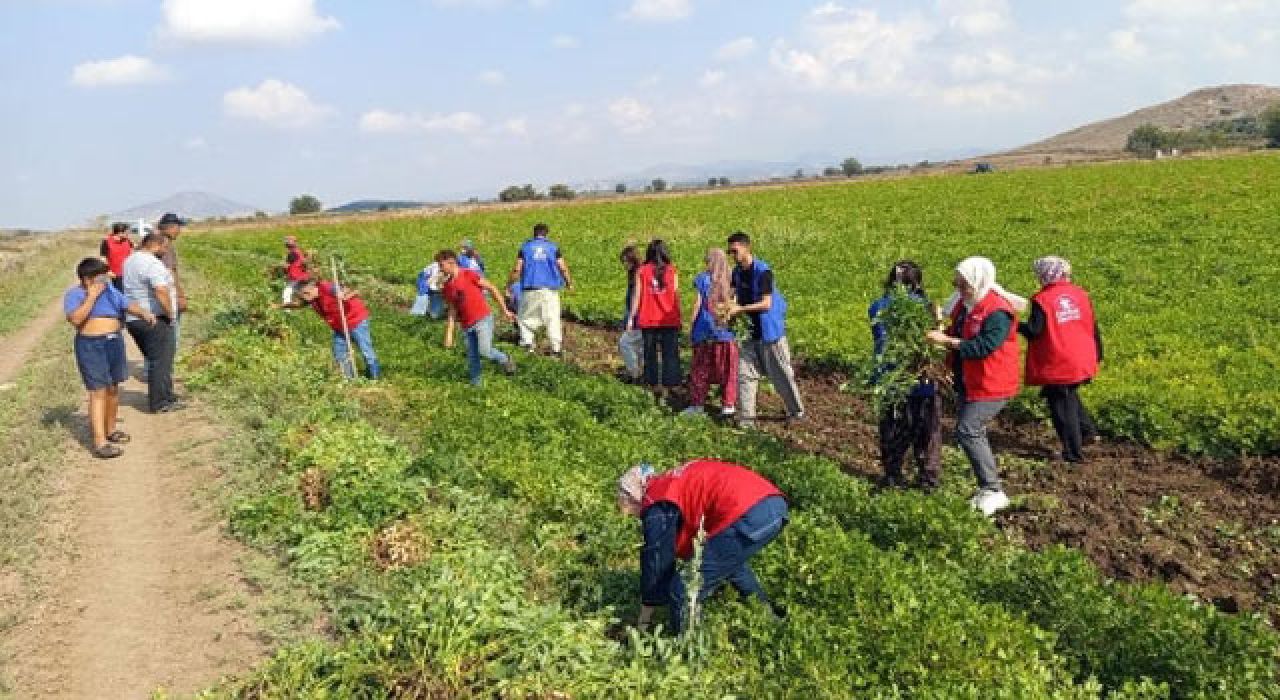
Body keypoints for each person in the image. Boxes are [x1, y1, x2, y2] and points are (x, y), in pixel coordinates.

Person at [617, 460, 788, 633]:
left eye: (633, 510)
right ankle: (772, 618)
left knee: (683, 589)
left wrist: (646, 614)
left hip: (748, 513)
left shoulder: (655, 501)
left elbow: (656, 557)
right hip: (772, 504)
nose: (639, 517)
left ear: (635, 496)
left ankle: (686, 649)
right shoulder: (671, 483)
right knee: (729, 564)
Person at [926, 256, 1027, 516]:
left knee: (968, 430)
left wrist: (947, 342)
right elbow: (951, 322)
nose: (958, 289)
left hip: (992, 381)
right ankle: (985, 488)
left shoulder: (998, 312)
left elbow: (982, 347)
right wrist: (938, 321)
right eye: (957, 283)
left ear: (978, 282)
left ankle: (993, 490)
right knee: (969, 431)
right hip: (969, 378)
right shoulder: (966, 302)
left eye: (963, 284)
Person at [64, 257, 156, 457]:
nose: (105, 279)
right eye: (100, 277)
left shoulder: (111, 291)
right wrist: (91, 297)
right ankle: (99, 441)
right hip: (91, 346)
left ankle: (111, 429)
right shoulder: (75, 295)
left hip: (113, 342)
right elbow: (76, 319)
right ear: (87, 280)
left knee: (113, 389)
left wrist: (143, 313)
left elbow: (127, 305)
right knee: (98, 391)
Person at [1019, 256, 1102, 464]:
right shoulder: (1080, 294)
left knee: (1061, 408)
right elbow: (1093, 325)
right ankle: (1087, 431)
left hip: (1059, 359)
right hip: (1082, 354)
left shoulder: (1043, 300)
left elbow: (1034, 331)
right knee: (1068, 394)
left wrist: (1012, 323)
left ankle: (1073, 454)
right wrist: (1098, 353)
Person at [869, 261, 942, 490]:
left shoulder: (878, 306)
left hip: (889, 377)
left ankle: (893, 475)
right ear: (917, 282)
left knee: (891, 426)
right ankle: (927, 478)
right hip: (920, 379)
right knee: (926, 429)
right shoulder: (925, 307)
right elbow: (935, 342)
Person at [725, 232, 805, 428]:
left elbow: (766, 303)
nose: (733, 255)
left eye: (735, 251)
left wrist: (740, 309)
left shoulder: (763, 271)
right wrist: (728, 309)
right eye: (730, 252)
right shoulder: (736, 273)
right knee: (745, 376)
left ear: (747, 247)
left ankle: (797, 412)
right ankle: (747, 421)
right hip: (749, 333)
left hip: (770, 333)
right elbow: (733, 295)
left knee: (781, 375)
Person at [437, 250, 518, 385]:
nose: (440, 269)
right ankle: (476, 386)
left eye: (441, 265)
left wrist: (505, 310)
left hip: (482, 319)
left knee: (484, 351)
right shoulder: (447, 287)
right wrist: (449, 334)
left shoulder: (468, 274)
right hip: (466, 325)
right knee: (472, 357)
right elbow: (452, 311)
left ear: (451, 262)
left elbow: (492, 288)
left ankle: (505, 359)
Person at [121, 233, 182, 413]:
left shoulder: (131, 260)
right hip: (153, 318)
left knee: (157, 359)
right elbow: (160, 291)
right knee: (161, 361)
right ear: (156, 245)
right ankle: (160, 402)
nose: (165, 251)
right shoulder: (152, 264)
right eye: (165, 247)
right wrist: (170, 314)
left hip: (135, 318)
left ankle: (167, 395)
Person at [278, 279, 382, 380]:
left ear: (309, 289)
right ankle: (349, 378)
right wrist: (279, 306)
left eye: (305, 295)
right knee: (339, 352)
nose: (305, 299)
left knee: (366, 351)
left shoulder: (327, 287)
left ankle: (374, 377)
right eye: (303, 297)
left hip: (355, 321)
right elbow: (298, 305)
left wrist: (344, 295)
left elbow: (352, 291)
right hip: (339, 327)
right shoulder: (312, 298)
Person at [683, 248, 738, 417]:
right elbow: (734, 304)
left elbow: (697, 305)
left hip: (704, 332)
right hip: (725, 334)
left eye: (707, 262)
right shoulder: (731, 279)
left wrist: (691, 326)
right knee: (728, 371)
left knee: (701, 369)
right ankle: (728, 405)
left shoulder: (703, 279)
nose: (706, 265)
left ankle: (697, 406)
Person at [628, 239, 682, 392]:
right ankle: (671, 385)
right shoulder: (672, 270)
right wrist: (679, 316)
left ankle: (653, 384)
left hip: (648, 317)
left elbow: (637, 296)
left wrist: (632, 317)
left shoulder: (642, 271)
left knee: (650, 353)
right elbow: (676, 296)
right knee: (670, 354)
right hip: (669, 318)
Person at [512, 223, 573, 356]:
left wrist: (508, 285)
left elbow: (517, 269)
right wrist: (569, 283)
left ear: (534, 234)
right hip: (549, 290)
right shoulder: (553, 247)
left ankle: (528, 346)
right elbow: (562, 267)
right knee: (552, 319)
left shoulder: (525, 247)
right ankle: (556, 350)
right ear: (546, 234)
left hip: (530, 289)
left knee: (525, 318)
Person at [617, 245, 644, 382]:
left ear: (631, 260)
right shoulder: (638, 272)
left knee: (625, 343)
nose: (624, 265)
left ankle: (634, 373)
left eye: (625, 262)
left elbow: (636, 297)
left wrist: (631, 318)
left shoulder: (638, 274)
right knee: (639, 346)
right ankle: (640, 372)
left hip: (639, 316)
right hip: (640, 317)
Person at [98, 222, 134, 291]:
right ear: (120, 233)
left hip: (128, 273)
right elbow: (103, 258)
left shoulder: (128, 241)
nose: (128, 234)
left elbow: (132, 252)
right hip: (115, 274)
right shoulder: (106, 242)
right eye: (127, 232)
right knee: (119, 293)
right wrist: (107, 270)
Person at [280, 235, 313, 304]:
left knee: (287, 292)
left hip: (296, 275)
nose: (286, 244)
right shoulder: (298, 252)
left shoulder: (293, 253)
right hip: (301, 275)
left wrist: (284, 266)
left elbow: (288, 265)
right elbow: (303, 262)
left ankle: (287, 308)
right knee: (300, 290)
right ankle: (306, 303)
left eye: (287, 242)